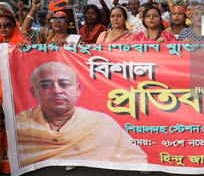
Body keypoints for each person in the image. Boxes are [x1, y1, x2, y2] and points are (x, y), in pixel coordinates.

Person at [16, 61, 147, 167]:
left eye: (64, 84)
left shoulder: (99, 122)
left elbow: (136, 160)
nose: (57, 90)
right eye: (46, 85)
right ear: (33, 92)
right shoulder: (20, 125)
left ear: (77, 89)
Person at [0, 13, 30, 176]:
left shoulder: (22, 45)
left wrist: (25, 51)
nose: (3, 28)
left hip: (13, 95)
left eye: (7, 24)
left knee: (12, 130)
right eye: (0, 25)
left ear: (14, 26)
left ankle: (11, 164)